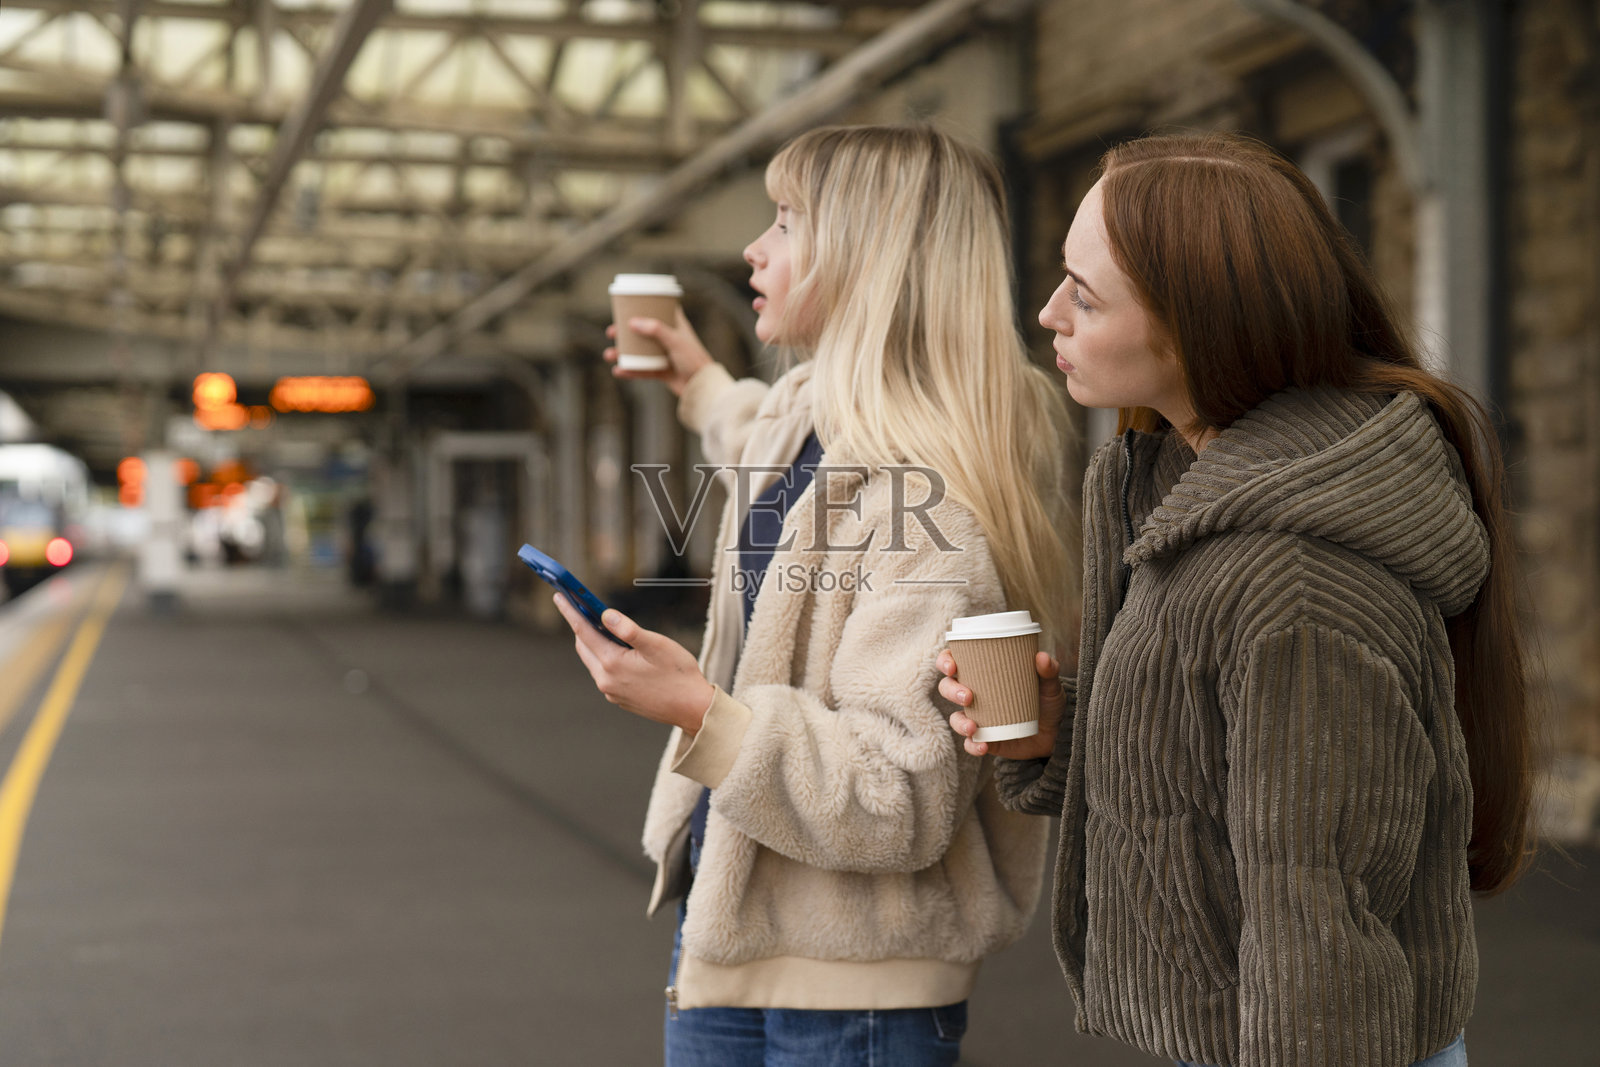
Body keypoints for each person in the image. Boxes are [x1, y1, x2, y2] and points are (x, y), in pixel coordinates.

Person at [938, 131, 1538, 1067]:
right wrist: (1068, 725)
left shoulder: (1295, 579)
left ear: (1200, 325)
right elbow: (1220, 753)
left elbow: (1317, 907)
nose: (1049, 311)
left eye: (1086, 296)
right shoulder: (1162, 480)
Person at [553, 125, 1076, 1065]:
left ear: (867, 261)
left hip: (853, 995)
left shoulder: (926, 508)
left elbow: (898, 797)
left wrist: (698, 710)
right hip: (732, 937)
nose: (755, 248)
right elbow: (752, 435)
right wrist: (698, 380)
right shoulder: (807, 423)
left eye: (787, 222)